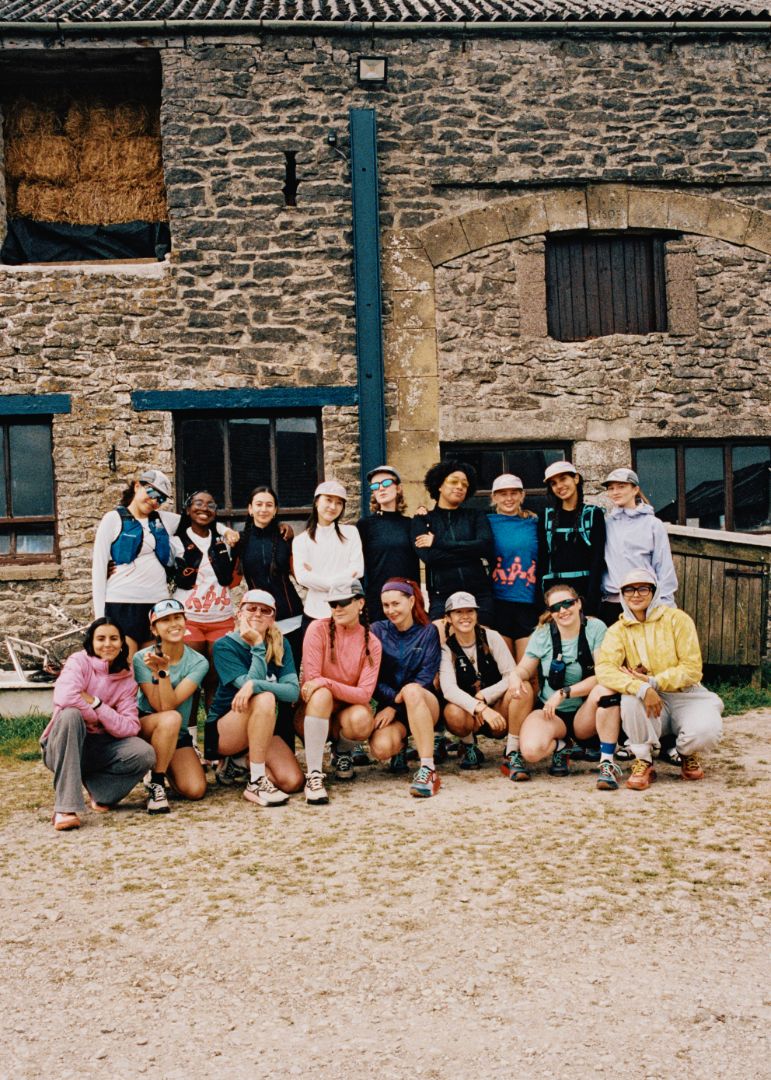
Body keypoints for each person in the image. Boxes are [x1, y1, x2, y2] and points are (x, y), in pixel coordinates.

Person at [595, 568, 723, 790]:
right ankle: (644, 760)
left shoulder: (677, 620)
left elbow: (692, 668)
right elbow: (605, 669)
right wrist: (642, 688)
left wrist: (654, 682)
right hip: (648, 697)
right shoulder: (618, 630)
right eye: (629, 590)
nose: (636, 595)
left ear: (654, 591)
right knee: (631, 699)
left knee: (707, 731)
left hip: (686, 694)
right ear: (622, 595)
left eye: (643, 588)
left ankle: (686, 753)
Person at [40, 618, 156, 831]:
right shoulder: (78, 661)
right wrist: (103, 717)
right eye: (100, 638)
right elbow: (66, 697)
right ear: (91, 642)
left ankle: (101, 791)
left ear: (122, 643)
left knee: (144, 753)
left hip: (101, 747)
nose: (107, 644)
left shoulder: (127, 676)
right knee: (71, 715)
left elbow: (130, 727)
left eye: (114, 638)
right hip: (63, 744)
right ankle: (65, 808)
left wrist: (96, 704)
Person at [512, 585, 623, 790]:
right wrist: (516, 676)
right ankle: (563, 746)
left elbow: (604, 673)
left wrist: (565, 693)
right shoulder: (543, 633)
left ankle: (607, 763)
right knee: (530, 751)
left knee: (606, 689)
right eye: (555, 607)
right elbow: (524, 669)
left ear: (578, 603)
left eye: (567, 603)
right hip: (552, 712)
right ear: (550, 612)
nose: (562, 611)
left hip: (585, 712)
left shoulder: (596, 628)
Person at [204, 590, 304, 806]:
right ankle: (256, 782)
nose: (257, 614)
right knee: (265, 697)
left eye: (265, 610)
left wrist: (255, 684)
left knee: (292, 781)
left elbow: (292, 692)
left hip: (260, 728)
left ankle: (240, 763)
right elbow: (246, 690)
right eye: (251, 608)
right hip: (226, 729)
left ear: (272, 618)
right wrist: (257, 646)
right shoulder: (224, 645)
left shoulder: (281, 644)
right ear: (240, 613)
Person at [297, 580, 382, 804]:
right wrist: (328, 686)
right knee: (322, 693)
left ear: (360, 603)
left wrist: (328, 683)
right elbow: (311, 682)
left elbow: (364, 694)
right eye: (333, 604)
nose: (337, 609)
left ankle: (342, 752)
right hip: (312, 711)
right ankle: (314, 775)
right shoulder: (317, 629)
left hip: (344, 715)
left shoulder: (372, 642)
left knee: (363, 717)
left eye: (343, 602)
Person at [237, 485, 304, 747]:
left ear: (275, 510)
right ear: (250, 508)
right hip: (259, 622)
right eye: (259, 504)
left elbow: (298, 570)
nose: (264, 509)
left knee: (288, 682)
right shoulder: (241, 541)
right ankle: (256, 741)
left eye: (269, 504)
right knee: (262, 679)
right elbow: (227, 577)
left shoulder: (285, 536)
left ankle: (285, 743)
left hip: (290, 619)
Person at [132, 598, 209, 814]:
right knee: (171, 718)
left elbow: (171, 703)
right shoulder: (141, 658)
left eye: (178, 618)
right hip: (147, 725)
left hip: (177, 732)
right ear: (154, 629)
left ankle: (161, 766)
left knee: (195, 789)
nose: (173, 624)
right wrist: (161, 671)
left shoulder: (198, 662)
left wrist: (163, 672)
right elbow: (162, 708)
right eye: (165, 620)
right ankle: (157, 783)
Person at [92, 468, 177, 658]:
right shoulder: (112, 519)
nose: (155, 501)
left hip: (156, 603)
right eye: (152, 492)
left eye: (161, 499)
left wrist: (226, 531)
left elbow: (197, 520)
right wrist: (100, 620)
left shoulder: (164, 520)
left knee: (152, 667)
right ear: (138, 486)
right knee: (125, 665)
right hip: (121, 602)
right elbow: (98, 570)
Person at [369, 579, 443, 797]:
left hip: (425, 704)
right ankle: (400, 749)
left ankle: (428, 770)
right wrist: (392, 704)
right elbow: (373, 679)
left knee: (412, 689)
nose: (391, 610)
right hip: (392, 709)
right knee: (381, 748)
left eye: (396, 604)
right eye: (386, 605)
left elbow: (426, 677)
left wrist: (395, 704)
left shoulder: (428, 631)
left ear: (411, 601)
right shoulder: (377, 631)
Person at [170, 490, 239, 717]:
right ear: (188, 510)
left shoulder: (225, 540)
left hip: (222, 620)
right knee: (190, 681)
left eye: (211, 504)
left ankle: (213, 740)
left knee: (215, 682)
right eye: (198, 503)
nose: (204, 508)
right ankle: (188, 740)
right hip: (189, 619)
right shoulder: (175, 542)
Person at [439, 591, 518, 771]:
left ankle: (513, 751)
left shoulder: (491, 637)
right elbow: (449, 690)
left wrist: (486, 695)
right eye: (458, 612)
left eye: (470, 611)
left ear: (476, 614)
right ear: (448, 618)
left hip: (496, 708)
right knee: (452, 710)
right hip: (469, 713)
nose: (465, 617)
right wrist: (478, 706)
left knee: (521, 689)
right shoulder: (446, 649)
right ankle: (469, 746)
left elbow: (511, 675)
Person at [412, 460, 495, 624]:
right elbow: (431, 558)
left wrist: (438, 542)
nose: (460, 487)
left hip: (479, 595)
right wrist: (471, 554)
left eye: (465, 484)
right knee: (441, 642)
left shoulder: (475, 516)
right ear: (439, 486)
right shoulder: (423, 519)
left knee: (484, 644)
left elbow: (485, 546)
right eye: (453, 481)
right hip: (442, 596)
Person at [600, 467, 678, 627]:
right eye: (611, 488)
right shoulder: (606, 524)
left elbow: (664, 567)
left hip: (643, 602)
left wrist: (665, 606)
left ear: (635, 489)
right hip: (612, 603)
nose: (615, 492)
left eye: (621, 486)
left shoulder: (653, 524)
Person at [292, 480, 364, 636]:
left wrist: (318, 577)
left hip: (347, 612)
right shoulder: (301, 541)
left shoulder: (351, 533)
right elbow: (302, 577)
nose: (333, 507)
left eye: (339, 503)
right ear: (317, 501)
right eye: (328, 500)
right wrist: (341, 582)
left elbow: (357, 570)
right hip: (314, 613)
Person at [538, 461, 606, 617]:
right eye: (553, 483)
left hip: (583, 595)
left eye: (563, 479)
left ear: (575, 479)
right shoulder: (546, 517)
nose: (559, 486)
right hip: (554, 595)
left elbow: (597, 560)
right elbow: (542, 560)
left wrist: (591, 604)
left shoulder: (593, 514)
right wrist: (542, 603)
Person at [357, 465, 421, 623]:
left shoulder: (411, 524)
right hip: (377, 601)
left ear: (398, 488)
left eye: (386, 483)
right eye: (375, 486)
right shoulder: (365, 525)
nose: (381, 489)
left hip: (407, 599)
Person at [487, 473, 539, 660]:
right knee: (507, 671)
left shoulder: (534, 523)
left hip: (528, 602)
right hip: (499, 602)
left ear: (522, 495)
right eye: (503, 494)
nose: (509, 498)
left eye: (514, 493)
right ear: (494, 497)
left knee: (529, 671)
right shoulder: (486, 523)